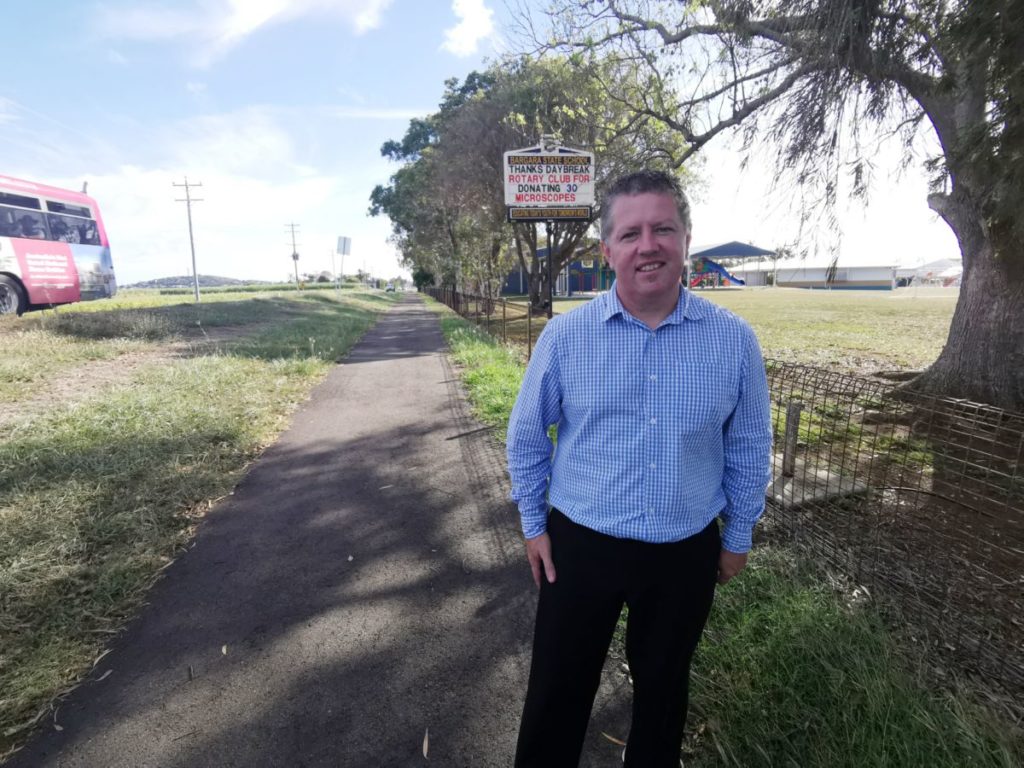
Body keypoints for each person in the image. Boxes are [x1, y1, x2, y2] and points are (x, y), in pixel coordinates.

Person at [506, 170, 773, 768]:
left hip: (683, 552)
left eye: (663, 229)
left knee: (663, 695)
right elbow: (526, 436)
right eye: (630, 233)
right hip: (580, 545)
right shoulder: (566, 337)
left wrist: (738, 536)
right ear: (607, 251)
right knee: (555, 693)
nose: (647, 245)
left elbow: (752, 446)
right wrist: (532, 523)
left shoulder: (733, 341)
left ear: (685, 239)